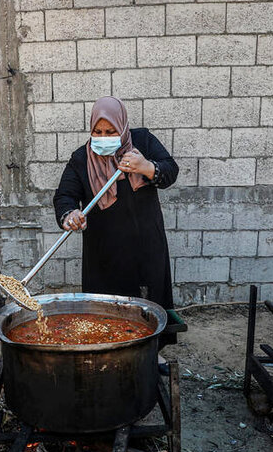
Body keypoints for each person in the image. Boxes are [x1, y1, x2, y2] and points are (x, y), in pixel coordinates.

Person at [53, 96, 179, 309]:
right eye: (98, 132)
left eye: (111, 132)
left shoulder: (142, 142)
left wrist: (146, 166)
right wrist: (70, 214)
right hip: (103, 251)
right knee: (106, 313)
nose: (103, 138)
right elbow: (64, 195)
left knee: (146, 311)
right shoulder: (81, 159)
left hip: (145, 246)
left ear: (122, 128)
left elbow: (170, 171)